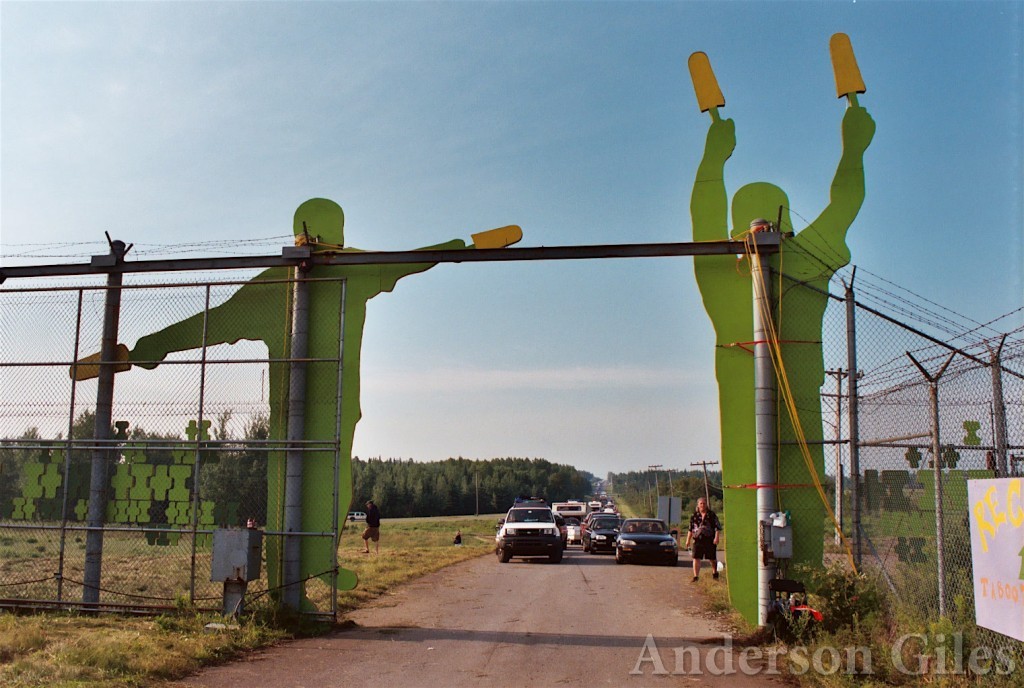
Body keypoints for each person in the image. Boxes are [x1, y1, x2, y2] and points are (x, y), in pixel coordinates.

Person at [685, 497, 722, 582]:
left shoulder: (711, 515)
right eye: (701, 503)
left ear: (706, 505)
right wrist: (688, 540)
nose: (702, 505)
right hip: (698, 539)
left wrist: (716, 537)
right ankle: (696, 577)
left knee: (712, 558)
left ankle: (715, 572)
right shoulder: (694, 516)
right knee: (696, 557)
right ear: (698, 505)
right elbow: (690, 529)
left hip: (709, 539)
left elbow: (717, 527)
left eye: (704, 503)